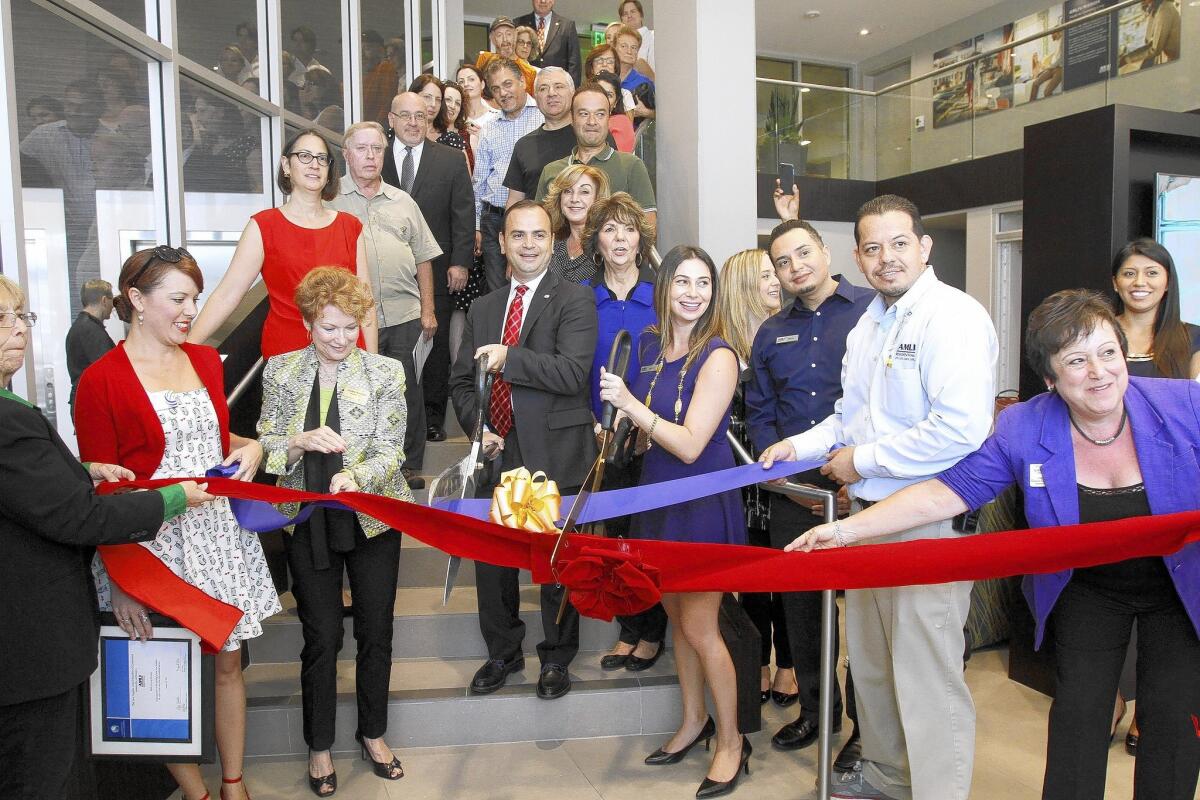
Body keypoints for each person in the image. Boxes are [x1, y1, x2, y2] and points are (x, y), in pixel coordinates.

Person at [791, 289, 1200, 800]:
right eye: (1076, 360)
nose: (1098, 371)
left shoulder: (1184, 405)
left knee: (1173, 721)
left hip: (1179, 586)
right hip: (1086, 587)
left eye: (1108, 353)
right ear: (1050, 378)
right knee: (1077, 714)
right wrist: (848, 529)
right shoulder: (1024, 425)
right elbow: (950, 491)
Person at [760, 195, 998, 800]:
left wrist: (857, 462)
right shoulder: (871, 323)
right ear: (859, 258)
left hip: (928, 521)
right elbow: (849, 416)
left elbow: (959, 429)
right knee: (871, 667)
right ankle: (888, 779)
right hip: (867, 521)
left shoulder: (954, 317)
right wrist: (797, 444)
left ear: (925, 246)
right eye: (873, 247)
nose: (886, 258)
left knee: (926, 675)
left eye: (898, 244)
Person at [75, 247, 282, 800]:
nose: (192, 310)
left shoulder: (207, 362)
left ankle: (233, 784)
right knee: (161, 673)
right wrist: (121, 580)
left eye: (195, 297)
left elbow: (213, 441)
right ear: (137, 301)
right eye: (179, 299)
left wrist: (252, 446)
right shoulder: (100, 380)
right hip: (149, 546)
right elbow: (102, 490)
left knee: (229, 666)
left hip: (216, 535)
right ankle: (197, 792)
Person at [0, 275, 212, 800]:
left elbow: (36, 494)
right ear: (136, 302)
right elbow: (76, 518)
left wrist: (85, 473)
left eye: (20, 317)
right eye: (3, 319)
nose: (17, 331)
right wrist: (174, 498)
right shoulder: (13, 418)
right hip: (28, 648)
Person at [598, 244, 750, 797]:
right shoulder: (649, 346)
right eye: (682, 281)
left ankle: (731, 741)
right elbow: (651, 433)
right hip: (656, 500)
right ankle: (693, 721)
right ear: (664, 289)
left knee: (702, 627)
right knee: (678, 622)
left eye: (702, 283)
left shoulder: (720, 356)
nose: (692, 292)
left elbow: (689, 444)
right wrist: (621, 429)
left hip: (700, 503)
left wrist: (632, 408)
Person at [257, 268, 413, 797]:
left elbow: (395, 450)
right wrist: (297, 443)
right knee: (321, 636)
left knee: (377, 631)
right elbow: (267, 447)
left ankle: (373, 733)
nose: (341, 339)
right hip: (308, 522)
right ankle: (319, 745)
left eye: (351, 327)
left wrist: (357, 476)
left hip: (371, 517)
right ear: (306, 323)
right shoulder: (279, 373)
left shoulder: (387, 372)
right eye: (329, 328)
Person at [449, 201, 597, 700]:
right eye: (518, 235)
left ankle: (556, 659)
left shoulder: (575, 300)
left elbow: (573, 373)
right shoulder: (484, 307)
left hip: (555, 452)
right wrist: (479, 428)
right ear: (503, 243)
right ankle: (502, 653)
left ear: (551, 243)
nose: (528, 244)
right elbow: (461, 384)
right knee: (492, 565)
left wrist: (511, 358)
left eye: (538, 235)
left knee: (556, 565)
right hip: (496, 452)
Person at [746, 219, 873, 766]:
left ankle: (868, 730)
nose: (796, 266)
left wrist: (857, 479)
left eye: (804, 253)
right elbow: (761, 418)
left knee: (870, 620)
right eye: (783, 261)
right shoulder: (771, 333)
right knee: (804, 615)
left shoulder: (873, 310)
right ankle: (818, 714)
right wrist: (797, 490)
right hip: (795, 495)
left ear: (826, 252)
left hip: (871, 487)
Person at [188, 128, 376, 359]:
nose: (314, 165)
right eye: (305, 156)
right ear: (286, 166)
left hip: (345, 352)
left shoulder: (350, 227)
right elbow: (228, 295)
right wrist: (188, 347)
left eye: (321, 159)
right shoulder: (263, 226)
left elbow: (365, 304)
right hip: (287, 355)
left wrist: (371, 364)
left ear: (329, 170)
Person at [579, 192, 669, 671]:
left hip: (651, 437)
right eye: (610, 229)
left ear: (641, 239)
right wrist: (595, 423)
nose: (620, 238)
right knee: (614, 538)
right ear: (596, 239)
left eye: (628, 229)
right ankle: (628, 628)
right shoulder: (582, 298)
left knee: (646, 538)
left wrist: (648, 425)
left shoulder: (661, 296)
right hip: (600, 436)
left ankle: (653, 631)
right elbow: (575, 369)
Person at [334, 121, 441, 492]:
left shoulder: (403, 201)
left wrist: (428, 310)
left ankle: (409, 465)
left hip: (404, 315)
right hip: (349, 322)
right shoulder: (331, 203)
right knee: (358, 393)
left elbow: (424, 258)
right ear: (346, 154)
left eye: (377, 149)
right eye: (361, 148)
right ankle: (362, 465)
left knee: (407, 391)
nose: (369, 156)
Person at [717, 248, 796, 708]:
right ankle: (759, 662)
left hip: (781, 475)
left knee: (785, 577)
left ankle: (787, 665)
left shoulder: (787, 333)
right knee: (750, 580)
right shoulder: (723, 345)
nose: (776, 282)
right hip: (737, 481)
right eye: (767, 275)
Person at [382, 92, 476, 445]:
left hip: (438, 269)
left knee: (434, 348)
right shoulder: (376, 158)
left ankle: (434, 418)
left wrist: (460, 262)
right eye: (405, 115)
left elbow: (464, 214)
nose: (413, 123)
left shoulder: (451, 160)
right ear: (391, 120)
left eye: (420, 116)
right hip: (386, 275)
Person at [533, 84, 656, 231]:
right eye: (584, 114)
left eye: (600, 114)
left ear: (608, 119)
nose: (592, 122)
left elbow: (648, 227)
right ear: (572, 119)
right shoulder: (552, 171)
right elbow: (539, 228)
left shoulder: (631, 166)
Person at [473, 58, 546, 291]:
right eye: (496, 88)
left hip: (534, 219)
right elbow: (479, 183)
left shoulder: (544, 118)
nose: (502, 93)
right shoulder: (489, 128)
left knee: (533, 288)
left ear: (522, 82)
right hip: (494, 222)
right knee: (499, 292)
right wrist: (477, 226)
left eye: (507, 84)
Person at [1112, 237, 1200, 380]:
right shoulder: (1094, 334)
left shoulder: (1195, 338)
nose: (1139, 282)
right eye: (1129, 274)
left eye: (1152, 273)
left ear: (1167, 283)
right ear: (1115, 283)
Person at [503, 67, 577, 206]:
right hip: (536, 225)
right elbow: (515, 200)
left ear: (573, 92)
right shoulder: (524, 146)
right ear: (535, 97)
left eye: (559, 86)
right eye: (543, 89)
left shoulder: (589, 137)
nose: (551, 93)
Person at [545, 163, 610, 284]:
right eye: (567, 191)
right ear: (559, 198)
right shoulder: (550, 245)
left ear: (598, 199)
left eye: (584, 192)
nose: (574, 199)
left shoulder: (608, 246)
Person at [65, 278, 115, 408]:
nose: (113, 306)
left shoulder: (81, 326)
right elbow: (109, 372)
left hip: (83, 399)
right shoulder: (90, 330)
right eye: (112, 301)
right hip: (90, 402)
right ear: (104, 300)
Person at [514, 0, 582, 85]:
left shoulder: (567, 26)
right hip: (526, 84)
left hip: (557, 86)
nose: (543, 1)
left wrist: (572, 91)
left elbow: (574, 63)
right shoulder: (518, 23)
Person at [475, 17, 538, 94]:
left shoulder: (529, 72)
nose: (505, 39)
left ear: (515, 36)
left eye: (509, 34)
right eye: (499, 35)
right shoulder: (484, 59)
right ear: (492, 39)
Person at [409, 74, 467, 155]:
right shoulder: (397, 133)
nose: (433, 104)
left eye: (438, 99)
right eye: (427, 97)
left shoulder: (452, 139)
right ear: (413, 96)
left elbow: (463, 167)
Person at [457, 63, 501, 151]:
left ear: (482, 84)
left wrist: (483, 136)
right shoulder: (455, 118)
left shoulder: (497, 117)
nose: (466, 84)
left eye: (471, 79)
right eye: (461, 81)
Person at [361, 29, 398, 125]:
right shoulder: (370, 74)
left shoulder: (385, 69)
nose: (362, 54)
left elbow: (387, 102)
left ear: (380, 49)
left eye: (367, 48)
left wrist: (378, 127)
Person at [593, 71, 635, 153]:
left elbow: (619, 162)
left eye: (609, 95)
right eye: (599, 92)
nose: (603, 99)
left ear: (615, 102)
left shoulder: (621, 123)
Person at [585, 45, 636, 111]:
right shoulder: (582, 93)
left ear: (615, 68)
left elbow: (627, 121)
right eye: (599, 61)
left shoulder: (625, 95)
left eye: (610, 61)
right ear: (591, 68)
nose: (604, 64)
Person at [441, 81, 475, 171]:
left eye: (457, 103)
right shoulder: (430, 132)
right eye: (448, 100)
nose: (452, 106)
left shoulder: (469, 135)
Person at [613, 25, 653, 97]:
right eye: (624, 46)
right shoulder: (605, 80)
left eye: (633, 47)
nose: (629, 51)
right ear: (614, 48)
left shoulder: (644, 84)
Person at [300, 67, 343, 131]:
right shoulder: (317, 112)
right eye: (305, 85)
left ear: (325, 86)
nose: (307, 89)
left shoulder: (333, 111)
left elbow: (313, 135)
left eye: (311, 84)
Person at [1140, 0, 1181, 68]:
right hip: (1166, 56)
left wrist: (1127, 59)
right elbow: (1148, 40)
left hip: (1174, 59)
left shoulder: (1165, 9)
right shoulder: (1154, 9)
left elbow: (1155, 49)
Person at [619, 0, 655, 74]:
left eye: (633, 11)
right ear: (622, 20)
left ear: (641, 15)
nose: (629, 16)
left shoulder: (652, 36)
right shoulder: (618, 42)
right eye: (625, 14)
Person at [1029, 30, 1062, 101]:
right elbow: (1054, 58)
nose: (1051, 36)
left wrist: (1048, 67)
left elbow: (1060, 59)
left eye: (1052, 34)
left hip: (1060, 69)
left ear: (1057, 32)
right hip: (1052, 68)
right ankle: (1031, 105)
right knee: (1035, 84)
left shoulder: (1063, 42)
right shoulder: (1057, 43)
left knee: (1047, 92)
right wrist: (1048, 67)